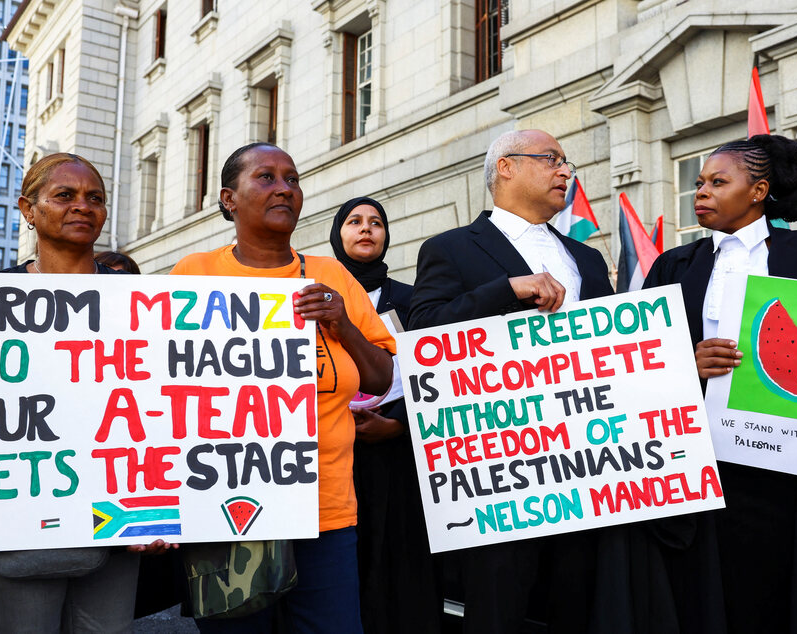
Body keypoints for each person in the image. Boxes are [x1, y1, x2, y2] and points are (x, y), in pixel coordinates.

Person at [409, 129, 656, 633]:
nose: (566, 171)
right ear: (506, 167)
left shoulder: (585, 258)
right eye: (551, 159)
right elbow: (423, 329)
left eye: (566, 162)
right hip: (500, 472)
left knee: (577, 604)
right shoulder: (451, 248)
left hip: (587, 464)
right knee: (497, 607)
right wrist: (508, 289)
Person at [644, 134, 797, 633]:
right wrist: (684, 363)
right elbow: (637, 364)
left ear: (758, 191)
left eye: (718, 182)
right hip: (701, 471)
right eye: (698, 183)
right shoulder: (673, 267)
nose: (701, 193)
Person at [170, 143, 395, 633]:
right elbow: (159, 388)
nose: (284, 189)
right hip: (227, 509)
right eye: (266, 178)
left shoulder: (332, 275)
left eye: (292, 179)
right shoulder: (194, 274)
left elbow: (380, 379)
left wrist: (343, 325)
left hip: (326, 511)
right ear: (229, 198)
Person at [0, 153, 170, 633]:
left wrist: (158, 514)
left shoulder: (141, 303)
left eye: (94, 198)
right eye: (64, 196)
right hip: (17, 524)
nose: (82, 207)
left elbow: (158, 413)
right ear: (28, 210)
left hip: (116, 526)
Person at [330, 196, 441, 633]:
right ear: (338, 234)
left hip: (399, 458)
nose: (366, 229)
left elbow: (437, 374)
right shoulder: (315, 295)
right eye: (354, 221)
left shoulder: (414, 301)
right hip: (334, 458)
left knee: (401, 574)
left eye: (376, 222)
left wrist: (397, 422)